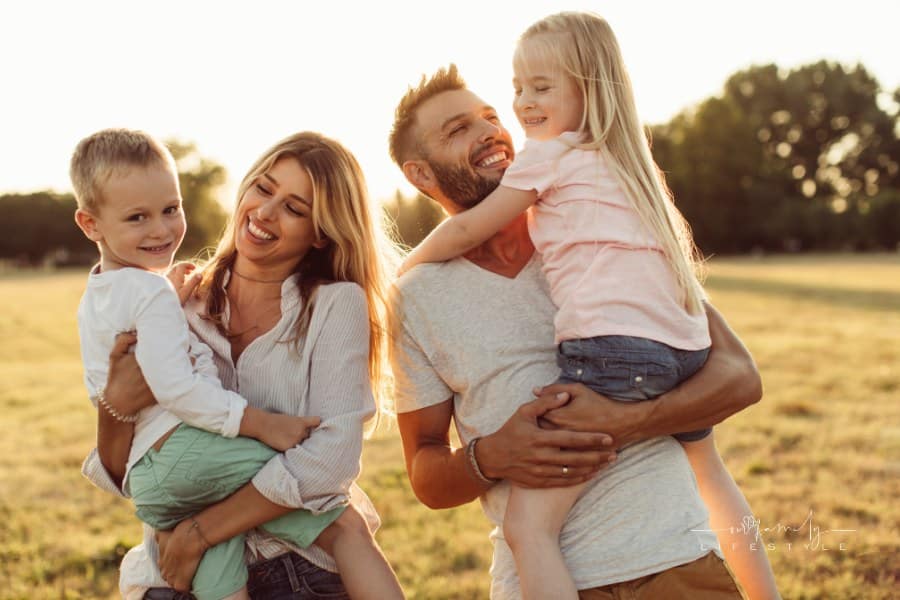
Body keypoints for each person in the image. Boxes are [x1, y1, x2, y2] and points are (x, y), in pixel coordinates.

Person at [397, 13, 777, 600]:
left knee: (698, 467)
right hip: (537, 583)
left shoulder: (597, 229)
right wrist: (494, 453)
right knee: (531, 529)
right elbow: (425, 473)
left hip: (674, 561)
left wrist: (626, 420)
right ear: (419, 174)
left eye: (491, 115)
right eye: (458, 130)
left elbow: (740, 378)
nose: (493, 129)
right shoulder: (416, 298)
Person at [78, 131, 405, 600]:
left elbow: (331, 461)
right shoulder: (173, 300)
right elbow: (128, 475)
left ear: (320, 232)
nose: (265, 213)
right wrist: (115, 407)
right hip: (175, 573)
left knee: (348, 528)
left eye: (294, 208)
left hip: (298, 569)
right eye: (264, 188)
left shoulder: (335, 305)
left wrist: (202, 532)